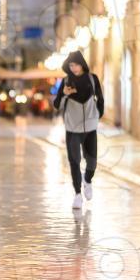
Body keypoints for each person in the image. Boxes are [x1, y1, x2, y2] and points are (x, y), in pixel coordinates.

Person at [52, 50, 104, 210]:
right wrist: (64, 94)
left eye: (75, 65)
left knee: (92, 162)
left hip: (90, 128)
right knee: (74, 161)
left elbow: (100, 99)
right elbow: (56, 105)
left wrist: (97, 115)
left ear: (82, 64)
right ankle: (77, 195)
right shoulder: (66, 81)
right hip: (72, 129)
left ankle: (87, 180)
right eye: (70, 65)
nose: (73, 68)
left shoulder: (92, 79)